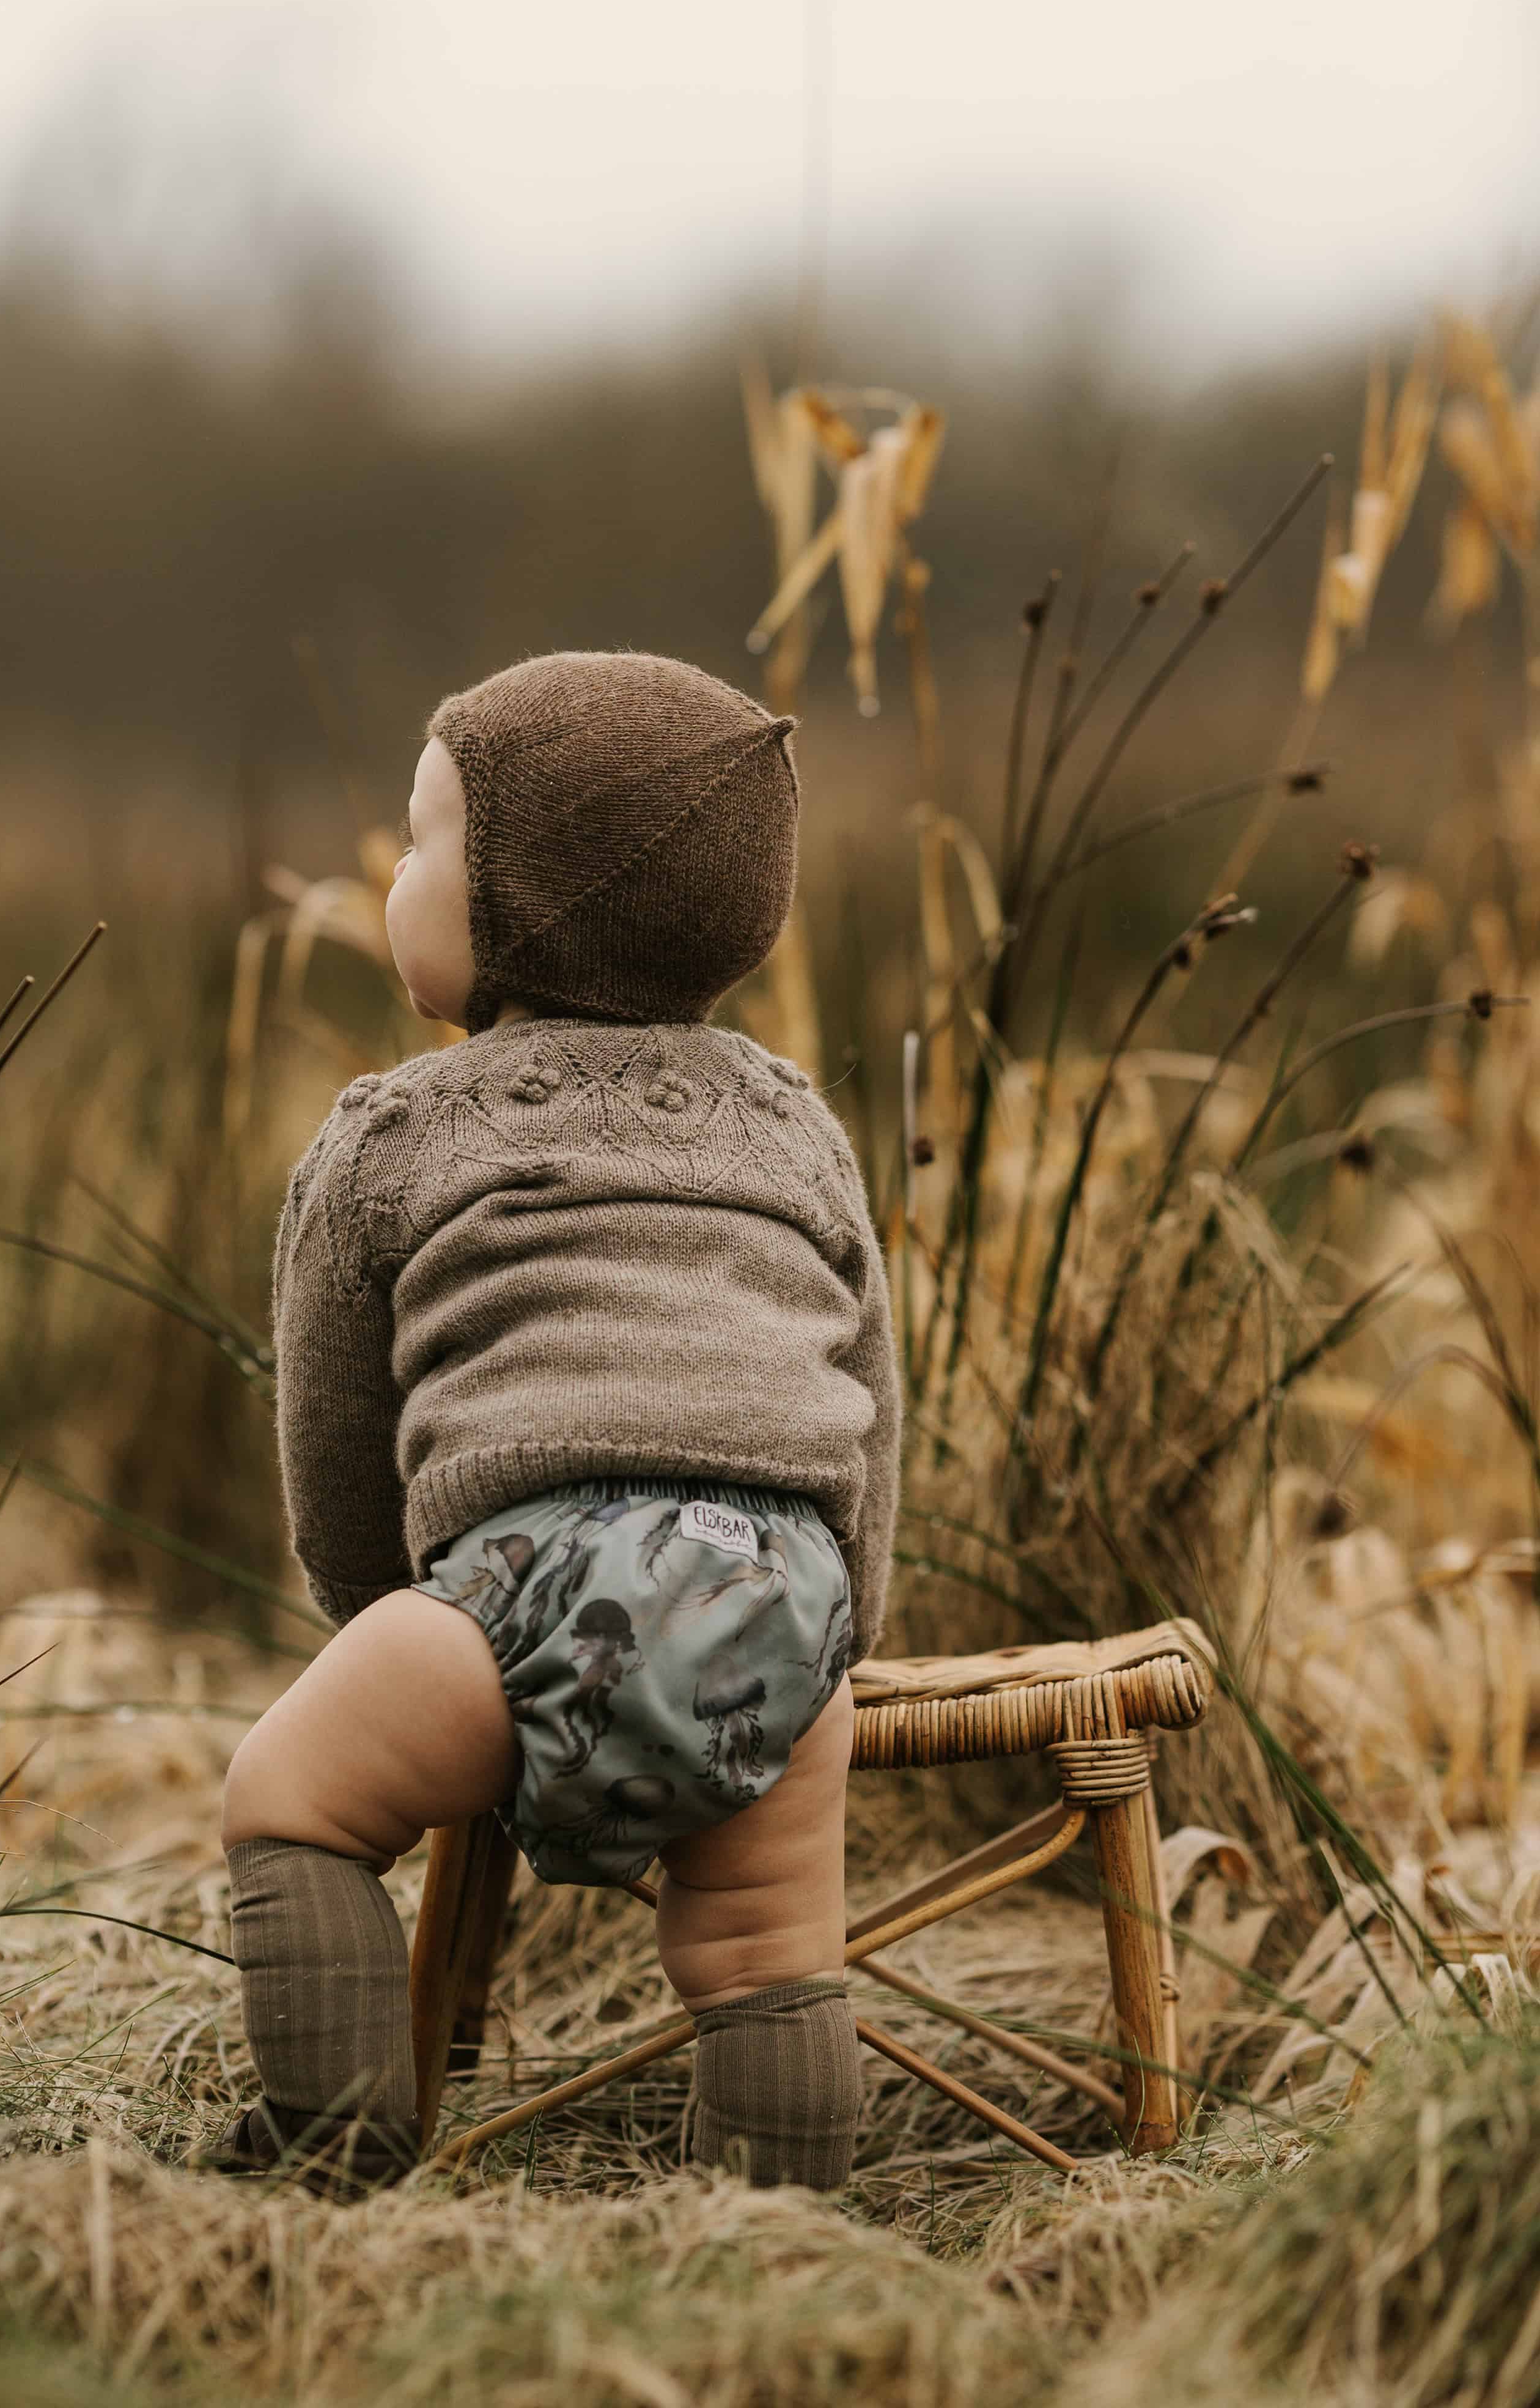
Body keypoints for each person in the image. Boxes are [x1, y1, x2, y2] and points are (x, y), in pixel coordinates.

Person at [213, 651, 902, 2195]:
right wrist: (840, 1622)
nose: (397, 877)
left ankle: (337, 2152)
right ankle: (783, 2235)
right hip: (782, 1600)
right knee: (768, 1947)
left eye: (426, 841)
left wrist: (389, 1618)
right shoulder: (794, 1120)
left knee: (291, 1796)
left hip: (528, 1585)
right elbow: (868, 1390)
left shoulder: (395, 1129)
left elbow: (335, 1419)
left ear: (518, 899)